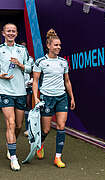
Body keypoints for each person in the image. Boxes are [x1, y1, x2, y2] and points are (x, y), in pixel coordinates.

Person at [0, 23, 31, 171]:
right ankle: (14, 158)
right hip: (5, 91)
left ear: (17, 33)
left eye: (13, 31)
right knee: (11, 123)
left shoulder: (22, 49)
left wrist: (20, 64)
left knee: (19, 126)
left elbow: (30, 67)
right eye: (8, 31)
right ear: (3, 33)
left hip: (20, 91)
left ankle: (10, 144)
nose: (11, 33)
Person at [32, 28, 75, 168]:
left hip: (62, 97)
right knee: (45, 130)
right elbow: (35, 81)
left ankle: (58, 157)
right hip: (47, 98)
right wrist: (35, 97)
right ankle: (40, 144)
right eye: (56, 45)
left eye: (60, 45)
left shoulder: (63, 62)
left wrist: (72, 98)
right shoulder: (40, 62)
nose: (58, 47)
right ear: (48, 45)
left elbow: (67, 81)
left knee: (61, 126)